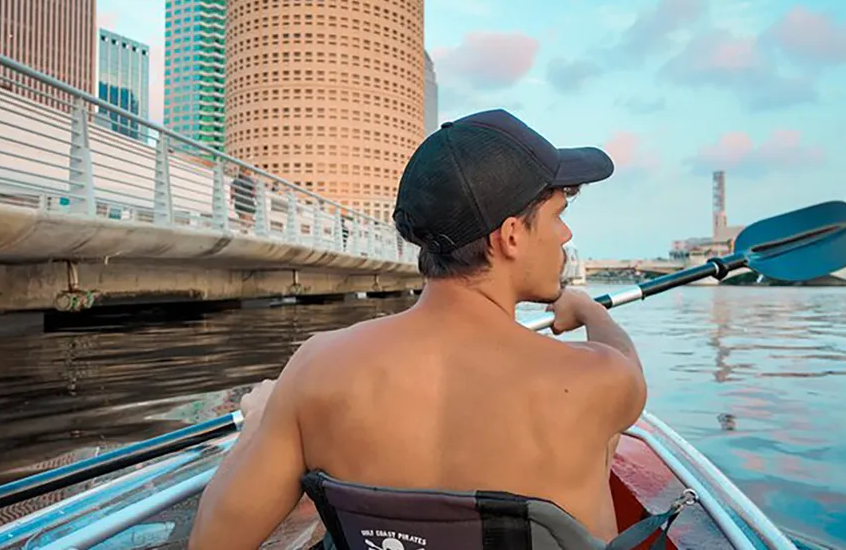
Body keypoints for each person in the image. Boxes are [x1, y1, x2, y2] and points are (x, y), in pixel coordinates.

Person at [189, 109, 647, 549]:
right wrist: (590, 312)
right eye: (557, 215)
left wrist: (263, 420)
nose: (566, 235)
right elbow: (626, 367)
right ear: (510, 235)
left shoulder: (314, 368)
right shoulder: (596, 380)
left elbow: (213, 542)